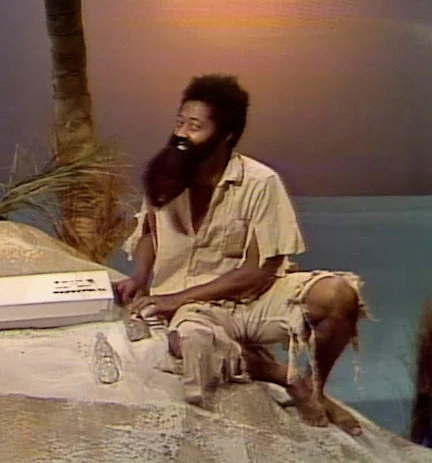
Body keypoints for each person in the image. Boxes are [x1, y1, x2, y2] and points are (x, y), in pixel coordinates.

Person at [114, 73, 371, 437]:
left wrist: (175, 298)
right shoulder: (167, 174)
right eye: (180, 122)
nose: (182, 134)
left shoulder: (260, 182)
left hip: (251, 300)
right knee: (189, 344)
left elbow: (259, 271)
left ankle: (316, 389)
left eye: (195, 127)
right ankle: (287, 377)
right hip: (193, 311)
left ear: (226, 136)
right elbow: (148, 234)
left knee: (338, 295)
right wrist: (140, 277)